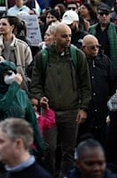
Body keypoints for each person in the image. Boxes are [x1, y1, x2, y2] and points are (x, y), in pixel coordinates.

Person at [30, 22, 91, 177]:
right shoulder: (42, 57)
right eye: (64, 36)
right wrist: (40, 97)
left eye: (70, 35)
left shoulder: (78, 56)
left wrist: (83, 108)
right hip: (49, 112)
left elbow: (85, 85)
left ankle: (66, 175)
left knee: (69, 150)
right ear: (55, 37)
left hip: (71, 111)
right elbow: (35, 84)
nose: (68, 39)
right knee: (48, 149)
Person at [0, 61, 44, 154]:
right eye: (7, 73)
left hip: (20, 144)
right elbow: (1, 108)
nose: (11, 75)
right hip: (0, 145)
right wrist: (14, 86)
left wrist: (41, 147)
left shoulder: (22, 95)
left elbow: (32, 122)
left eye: (13, 72)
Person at [80, 34, 112, 143]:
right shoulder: (79, 62)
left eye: (97, 46)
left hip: (102, 109)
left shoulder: (105, 61)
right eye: (92, 47)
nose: (96, 50)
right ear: (84, 48)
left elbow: (112, 82)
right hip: (87, 111)